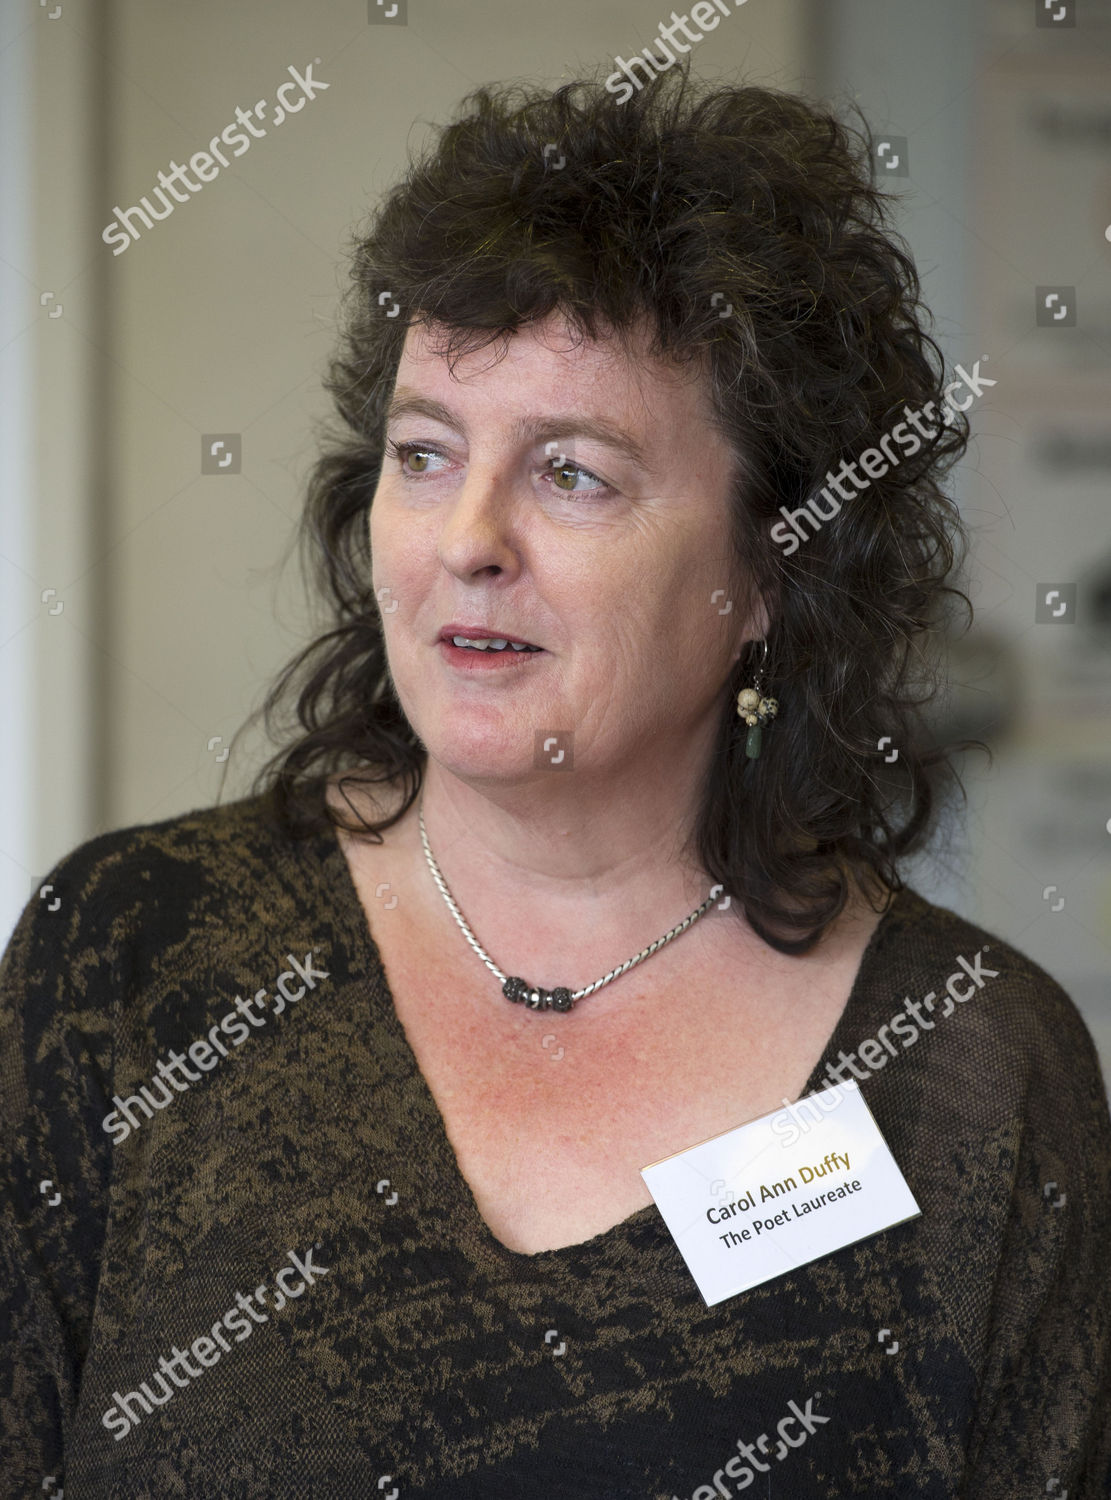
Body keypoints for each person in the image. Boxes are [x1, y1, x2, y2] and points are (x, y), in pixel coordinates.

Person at [2, 59, 1109, 1500]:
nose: (467, 536)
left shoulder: (977, 1075)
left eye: (572, 474)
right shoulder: (130, 955)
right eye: (422, 454)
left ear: (773, 566)